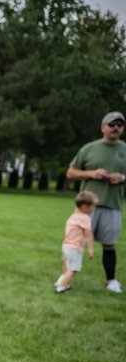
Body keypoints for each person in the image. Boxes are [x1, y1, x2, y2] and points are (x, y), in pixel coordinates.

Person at [67, 110, 126, 293]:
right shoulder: (89, 148)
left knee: (109, 245)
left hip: (113, 205)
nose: (116, 127)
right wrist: (92, 173)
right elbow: (70, 173)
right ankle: (65, 280)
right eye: (112, 124)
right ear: (103, 127)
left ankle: (111, 281)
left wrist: (123, 178)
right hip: (86, 208)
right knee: (75, 243)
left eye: (120, 124)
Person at [56, 191, 98, 293]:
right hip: (75, 247)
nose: (94, 208)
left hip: (66, 245)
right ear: (84, 206)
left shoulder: (75, 214)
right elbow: (88, 234)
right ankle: (60, 287)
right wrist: (91, 249)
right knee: (73, 269)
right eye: (93, 206)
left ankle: (65, 283)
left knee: (67, 265)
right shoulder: (85, 218)